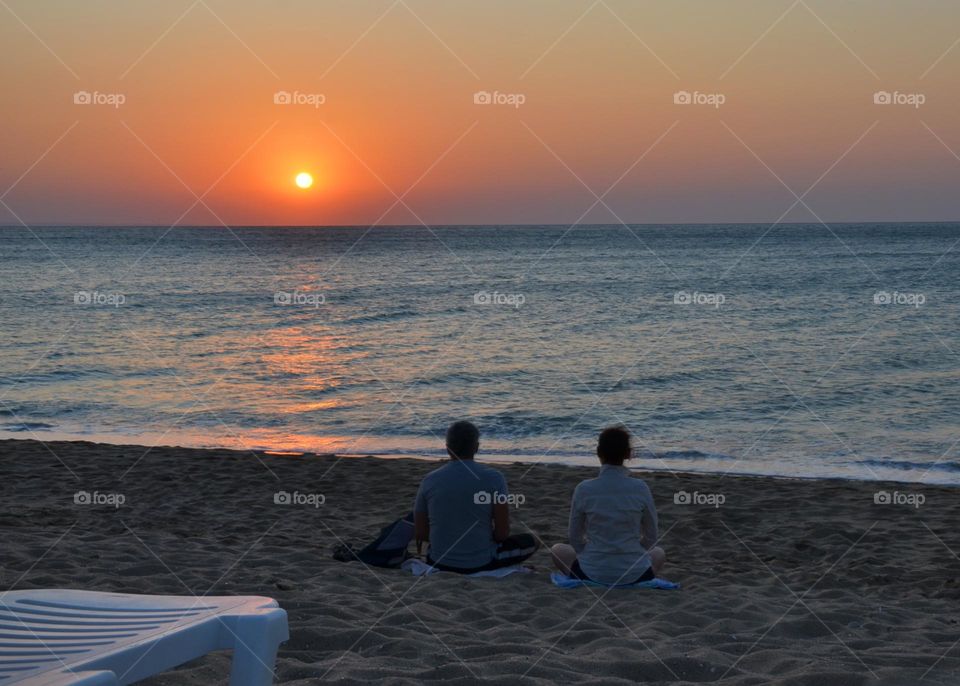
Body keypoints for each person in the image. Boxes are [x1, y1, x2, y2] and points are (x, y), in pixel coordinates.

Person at [414, 420, 538, 572]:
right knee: (534, 540)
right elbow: (502, 534)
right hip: (480, 562)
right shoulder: (494, 478)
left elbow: (421, 533)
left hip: (438, 561)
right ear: (476, 447)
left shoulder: (429, 480)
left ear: (447, 449)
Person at [551, 426, 666, 584]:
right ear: (628, 453)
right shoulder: (641, 488)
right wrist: (634, 552)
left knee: (557, 549)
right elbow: (651, 536)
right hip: (635, 573)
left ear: (599, 452)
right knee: (658, 553)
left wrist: (591, 555)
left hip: (591, 572)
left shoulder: (584, 489)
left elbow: (574, 537)